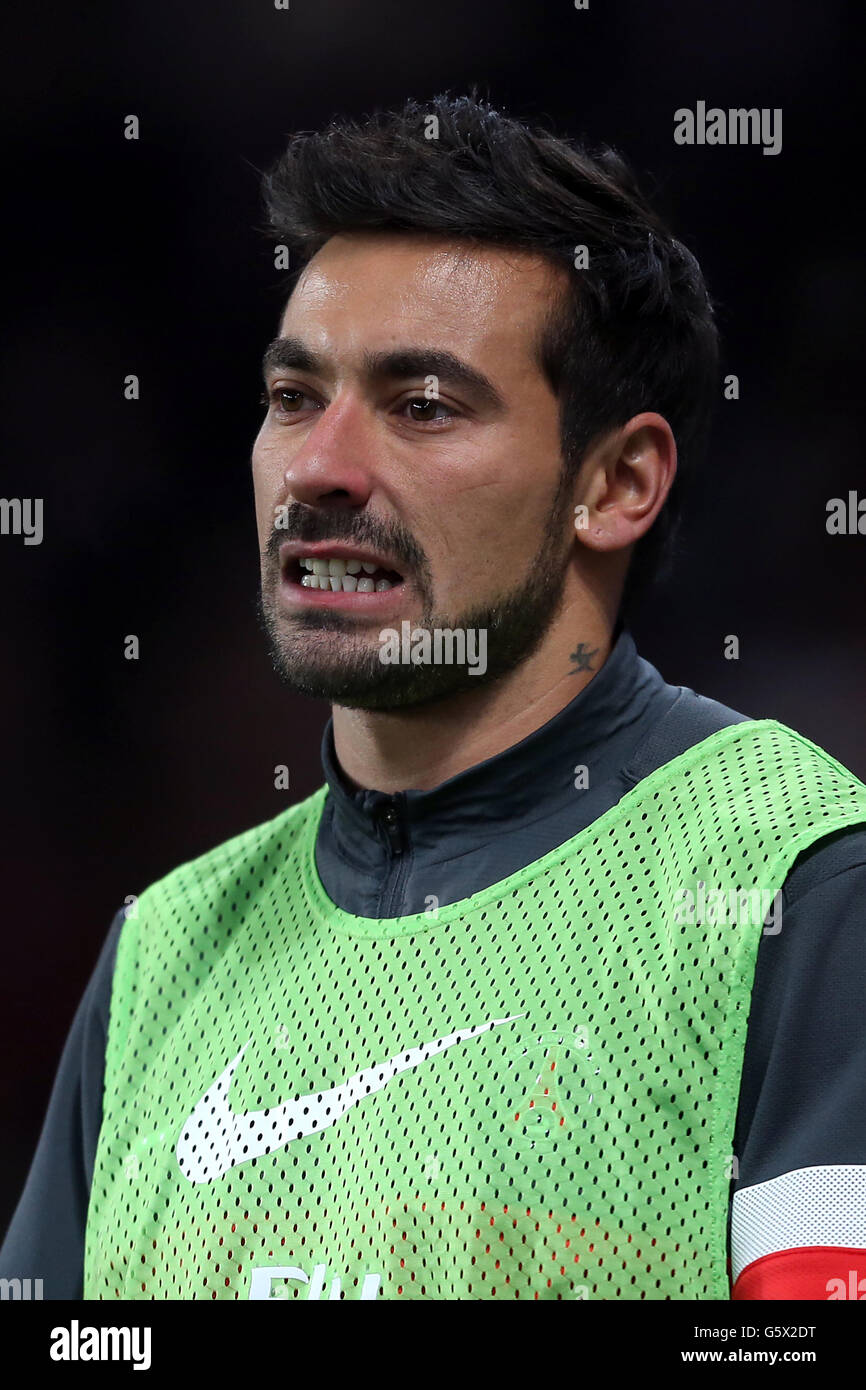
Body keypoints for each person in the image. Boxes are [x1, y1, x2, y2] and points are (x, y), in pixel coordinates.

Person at [3, 94, 866, 1302]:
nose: (318, 468)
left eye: (421, 406)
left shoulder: (800, 884)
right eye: (294, 396)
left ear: (616, 482)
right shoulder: (165, 952)